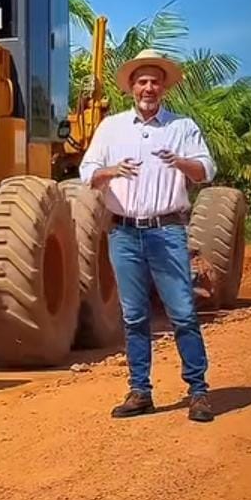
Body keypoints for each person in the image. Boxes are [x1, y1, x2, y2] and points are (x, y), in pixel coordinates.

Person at [79, 49, 217, 423]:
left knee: (184, 314)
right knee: (134, 317)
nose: (149, 87)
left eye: (155, 81)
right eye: (142, 81)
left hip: (167, 231)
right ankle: (140, 391)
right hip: (123, 234)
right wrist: (111, 171)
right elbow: (86, 171)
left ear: (164, 88)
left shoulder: (182, 127)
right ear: (131, 88)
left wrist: (180, 162)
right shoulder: (111, 128)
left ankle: (199, 392)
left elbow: (206, 169)